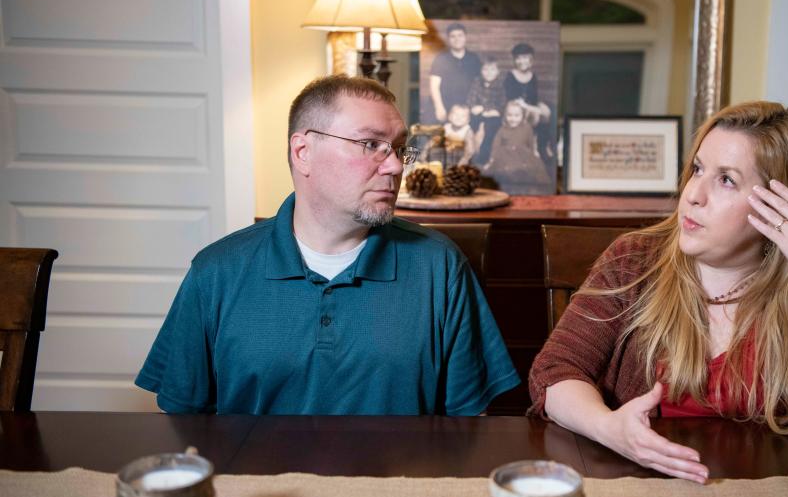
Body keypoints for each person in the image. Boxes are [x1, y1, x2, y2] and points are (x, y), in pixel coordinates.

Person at [528, 101, 788, 483]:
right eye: (697, 169)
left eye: (726, 179)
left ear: (783, 206)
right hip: (640, 484)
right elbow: (553, 372)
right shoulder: (634, 261)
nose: (693, 194)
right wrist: (608, 427)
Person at [136, 75, 519, 415]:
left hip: (399, 492)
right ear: (303, 152)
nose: (397, 167)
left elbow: (469, 428)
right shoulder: (216, 272)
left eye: (399, 148)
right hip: (260, 494)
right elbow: (185, 427)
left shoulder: (440, 268)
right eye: (371, 144)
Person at [483, 100, 553, 194]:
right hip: (507, 155)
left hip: (523, 154)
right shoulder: (502, 129)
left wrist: (534, 153)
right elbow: (496, 145)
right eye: (510, 115)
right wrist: (492, 159)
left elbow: (531, 142)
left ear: (522, 116)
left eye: (516, 116)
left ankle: (526, 186)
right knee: (504, 171)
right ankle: (510, 186)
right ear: (505, 116)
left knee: (532, 170)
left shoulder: (527, 128)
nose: (513, 119)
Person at [503, 42, 553, 159]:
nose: (522, 61)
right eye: (518, 58)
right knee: (537, 114)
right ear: (515, 60)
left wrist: (535, 106)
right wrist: (530, 107)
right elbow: (512, 99)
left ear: (530, 60)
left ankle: (545, 144)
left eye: (525, 57)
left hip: (528, 105)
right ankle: (533, 147)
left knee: (548, 110)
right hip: (515, 106)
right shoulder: (510, 75)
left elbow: (534, 97)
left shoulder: (532, 75)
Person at [429, 22, 482, 124]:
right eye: (453, 36)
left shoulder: (474, 58)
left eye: (460, 35)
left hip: (467, 106)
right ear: (448, 39)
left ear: (465, 37)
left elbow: (480, 84)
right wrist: (439, 107)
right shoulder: (441, 59)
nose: (457, 39)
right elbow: (434, 86)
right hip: (445, 104)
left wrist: (477, 106)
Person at [466, 57, 507, 166]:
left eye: (492, 70)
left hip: (493, 117)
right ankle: (471, 154)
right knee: (472, 127)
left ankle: (483, 158)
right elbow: (470, 100)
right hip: (478, 115)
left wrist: (484, 108)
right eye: (485, 69)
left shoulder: (500, 85)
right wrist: (476, 108)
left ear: (498, 72)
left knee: (490, 132)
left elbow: (501, 105)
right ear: (481, 71)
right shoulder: (476, 81)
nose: (489, 73)